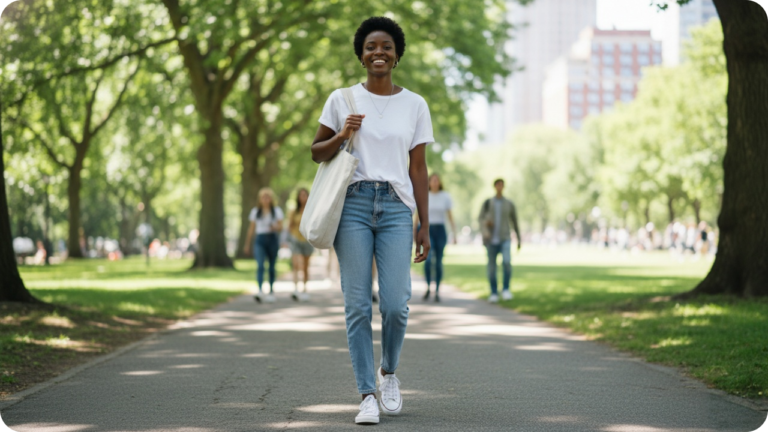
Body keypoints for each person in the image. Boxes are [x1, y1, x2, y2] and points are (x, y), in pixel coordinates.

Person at [310, 16, 433, 425]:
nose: (378, 52)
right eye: (370, 47)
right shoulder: (341, 99)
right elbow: (316, 152)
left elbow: (419, 168)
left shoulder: (415, 104)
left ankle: (388, 372)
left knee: (396, 304)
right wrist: (342, 134)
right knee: (358, 305)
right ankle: (366, 394)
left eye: (386, 47)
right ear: (361, 55)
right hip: (353, 205)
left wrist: (424, 223)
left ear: (397, 56)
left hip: (397, 207)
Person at [478, 178, 521, 303]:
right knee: (492, 268)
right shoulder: (488, 203)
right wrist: (486, 227)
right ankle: (494, 292)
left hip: (505, 238)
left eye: (501, 185)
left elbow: (515, 221)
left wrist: (519, 238)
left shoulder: (509, 204)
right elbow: (480, 219)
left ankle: (506, 289)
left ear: (503, 187)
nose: (499, 187)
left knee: (507, 263)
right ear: (494, 186)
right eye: (497, 185)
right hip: (491, 240)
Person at [419, 173, 456, 302]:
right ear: (429, 182)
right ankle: (428, 287)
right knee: (428, 260)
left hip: (440, 230)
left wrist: (454, 233)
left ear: (440, 182)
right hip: (427, 229)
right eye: (432, 180)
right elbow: (418, 215)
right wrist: (415, 232)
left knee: (439, 262)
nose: (435, 182)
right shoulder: (425, 195)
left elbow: (450, 216)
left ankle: (437, 290)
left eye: (437, 180)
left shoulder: (445, 196)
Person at [244, 187, 284, 303]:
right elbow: (251, 229)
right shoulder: (255, 212)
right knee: (260, 265)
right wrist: (247, 244)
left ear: (271, 199)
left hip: (272, 239)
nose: (266, 200)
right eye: (263, 197)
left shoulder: (276, 211)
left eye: (268, 197)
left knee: (271, 266)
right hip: (260, 240)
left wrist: (275, 227)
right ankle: (260, 290)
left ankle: (271, 291)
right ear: (260, 199)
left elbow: (281, 227)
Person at [287, 188, 314, 302]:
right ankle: (295, 289)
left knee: (305, 267)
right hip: (296, 240)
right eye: (301, 195)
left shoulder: (311, 210)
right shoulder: (294, 211)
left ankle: (305, 289)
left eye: (305, 195)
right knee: (296, 264)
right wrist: (288, 239)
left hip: (307, 241)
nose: (303, 197)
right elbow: (290, 226)